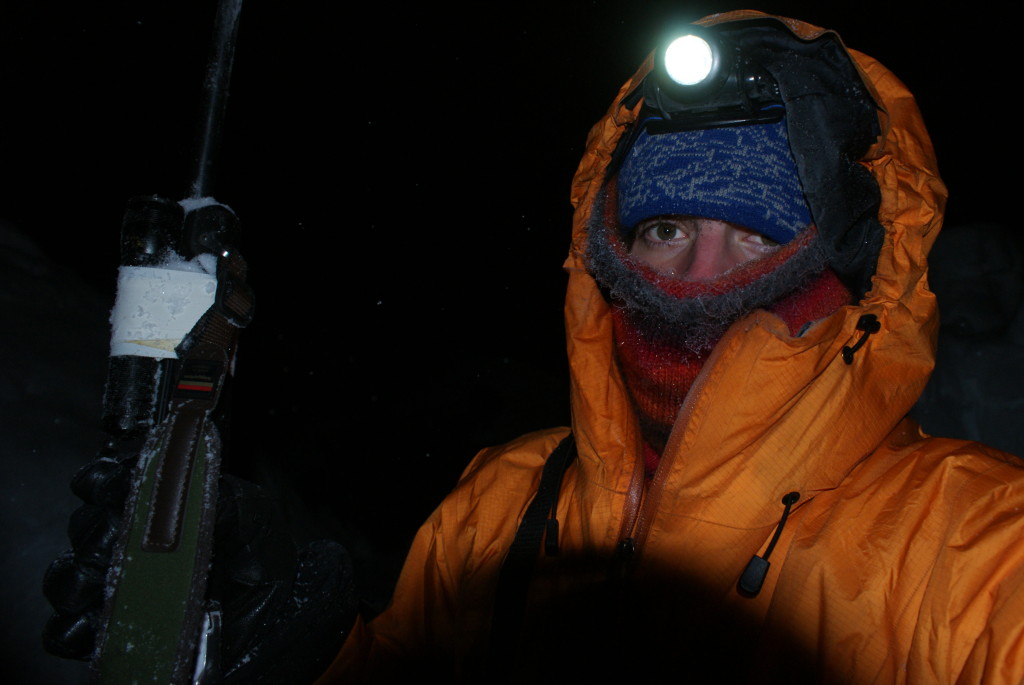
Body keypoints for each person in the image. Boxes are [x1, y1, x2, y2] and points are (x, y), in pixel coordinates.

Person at [44, 9, 1024, 684]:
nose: (697, 275)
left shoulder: (980, 547)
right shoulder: (503, 505)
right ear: (608, 252)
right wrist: (288, 646)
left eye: (759, 235)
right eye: (663, 229)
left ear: (852, 268)